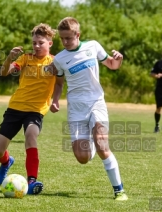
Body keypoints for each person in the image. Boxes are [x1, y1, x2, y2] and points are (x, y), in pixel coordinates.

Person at [50, 17, 128, 201]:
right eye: (62, 39)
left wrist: (119, 60)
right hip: (76, 109)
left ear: (78, 34)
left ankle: (119, 190)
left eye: (68, 38)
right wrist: (55, 100)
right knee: (82, 158)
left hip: (96, 102)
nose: (65, 42)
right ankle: (90, 144)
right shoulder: (60, 59)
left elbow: (112, 65)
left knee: (103, 144)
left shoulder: (93, 46)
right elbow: (59, 83)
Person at [0, 23, 56, 195]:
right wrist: (9, 58)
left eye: (40, 42)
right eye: (34, 42)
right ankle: (6, 162)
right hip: (15, 108)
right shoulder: (26, 58)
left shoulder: (55, 62)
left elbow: (61, 81)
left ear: (50, 43)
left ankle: (32, 181)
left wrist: (56, 100)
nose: (36, 46)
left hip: (36, 110)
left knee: (31, 135)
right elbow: (5, 72)